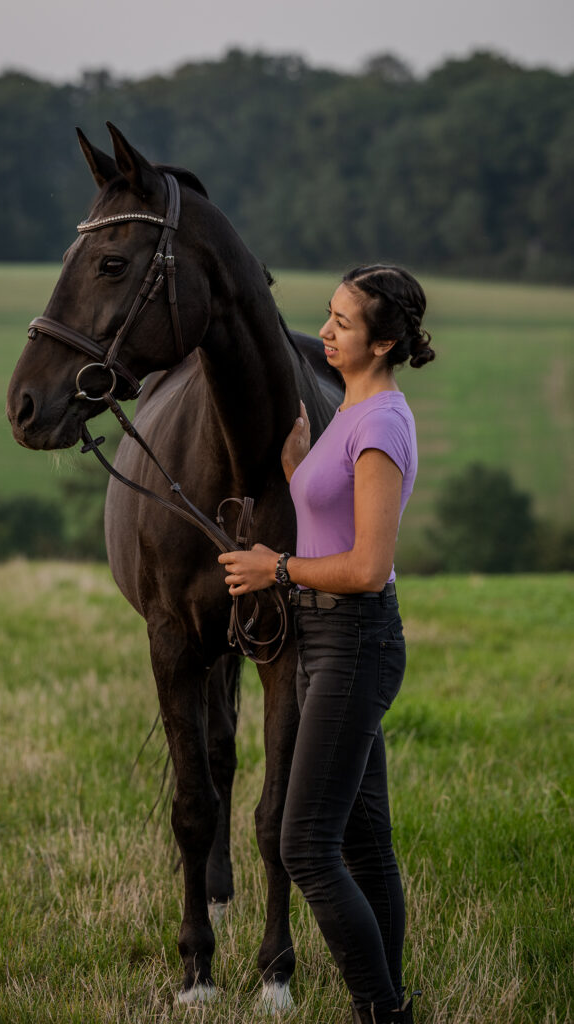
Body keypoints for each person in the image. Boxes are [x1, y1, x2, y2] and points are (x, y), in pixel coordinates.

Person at [218, 265, 435, 1024]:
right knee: (365, 843)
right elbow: (331, 509)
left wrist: (272, 568)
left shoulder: (378, 425)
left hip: (354, 642)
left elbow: (368, 568)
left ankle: (380, 1010)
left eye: (344, 321)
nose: (327, 329)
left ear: (382, 342)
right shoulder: (349, 411)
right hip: (324, 639)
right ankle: (390, 1006)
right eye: (328, 314)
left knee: (306, 845)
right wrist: (296, 467)